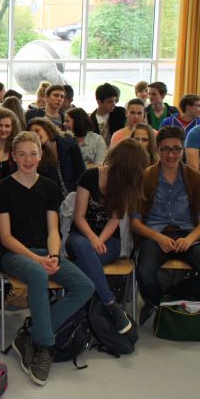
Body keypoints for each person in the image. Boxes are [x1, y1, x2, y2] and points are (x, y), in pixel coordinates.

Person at [0, 131, 94, 386]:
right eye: (22, 154)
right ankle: (46, 346)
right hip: (15, 254)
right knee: (39, 274)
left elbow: (53, 230)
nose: (28, 159)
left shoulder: (49, 187)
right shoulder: (3, 189)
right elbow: (5, 237)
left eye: (33, 154)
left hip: (44, 252)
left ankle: (33, 333)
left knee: (85, 286)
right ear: (13, 157)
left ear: (41, 155)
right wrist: (36, 260)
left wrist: (51, 255)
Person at [131, 126, 200, 326]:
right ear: (157, 150)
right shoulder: (146, 177)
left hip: (188, 235)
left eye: (176, 149)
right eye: (165, 149)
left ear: (182, 150)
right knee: (144, 273)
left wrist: (189, 239)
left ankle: (165, 301)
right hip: (156, 235)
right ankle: (166, 304)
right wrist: (157, 237)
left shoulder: (194, 178)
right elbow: (135, 223)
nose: (171, 155)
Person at [65, 139, 148, 334]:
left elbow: (114, 221)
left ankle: (79, 305)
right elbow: (78, 217)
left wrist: (100, 240)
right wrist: (93, 239)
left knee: (83, 264)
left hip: (109, 241)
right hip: (81, 237)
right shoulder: (90, 176)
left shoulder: (125, 185)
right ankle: (110, 303)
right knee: (83, 247)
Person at [28, 117, 86, 197]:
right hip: (57, 201)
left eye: (37, 130)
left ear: (47, 128)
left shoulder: (70, 145)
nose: (36, 135)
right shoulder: (39, 156)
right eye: (32, 134)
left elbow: (80, 173)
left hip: (77, 195)